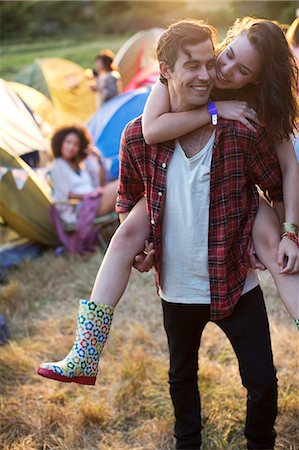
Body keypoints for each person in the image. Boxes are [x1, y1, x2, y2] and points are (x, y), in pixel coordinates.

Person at [38, 18, 291, 449]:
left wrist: (288, 229)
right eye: (191, 65)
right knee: (181, 381)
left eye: (211, 63)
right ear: (165, 70)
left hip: (234, 280)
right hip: (178, 287)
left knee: (263, 383)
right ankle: (87, 353)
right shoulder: (139, 134)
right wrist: (145, 247)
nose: (209, 75)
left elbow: (280, 178)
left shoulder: (240, 125)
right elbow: (127, 201)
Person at [48, 125, 118, 252]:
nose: (71, 147)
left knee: (120, 185)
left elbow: (101, 184)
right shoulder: (58, 166)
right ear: (60, 143)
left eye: (75, 144)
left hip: (94, 200)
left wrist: (98, 160)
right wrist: (90, 195)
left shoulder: (82, 165)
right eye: (68, 142)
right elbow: (67, 194)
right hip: (81, 208)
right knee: (120, 185)